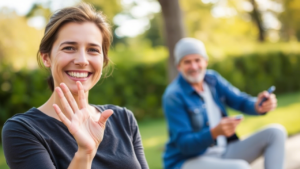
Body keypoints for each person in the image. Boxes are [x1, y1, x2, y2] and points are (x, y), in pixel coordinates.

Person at [2, 3, 148, 169]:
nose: (82, 60)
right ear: (46, 58)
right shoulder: (23, 130)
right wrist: (84, 153)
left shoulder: (123, 119)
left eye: (93, 50)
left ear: (103, 60)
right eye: (69, 48)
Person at [162, 37, 286, 169]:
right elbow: (184, 144)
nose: (193, 66)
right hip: (188, 161)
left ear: (205, 61)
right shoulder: (173, 95)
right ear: (178, 67)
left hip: (222, 153)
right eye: (187, 62)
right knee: (240, 167)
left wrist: (258, 105)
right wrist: (214, 133)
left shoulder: (212, 80)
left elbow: (240, 101)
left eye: (197, 60)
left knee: (276, 132)